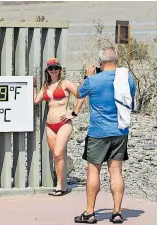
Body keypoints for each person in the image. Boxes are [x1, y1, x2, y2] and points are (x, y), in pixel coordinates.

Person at [69, 47, 136, 224]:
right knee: (116, 171)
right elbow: (131, 95)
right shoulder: (126, 77)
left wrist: (87, 76)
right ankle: (117, 212)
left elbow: (78, 93)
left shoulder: (93, 80)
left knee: (93, 170)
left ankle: (90, 212)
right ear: (116, 60)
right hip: (120, 131)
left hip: (98, 132)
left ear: (100, 62)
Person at [33, 57, 85, 196]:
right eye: (51, 68)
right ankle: (60, 185)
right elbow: (36, 100)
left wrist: (73, 113)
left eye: (56, 68)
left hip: (64, 123)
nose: (54, 70)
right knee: (57, 157)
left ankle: (61, 187)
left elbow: (81, 95)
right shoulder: (46, 86)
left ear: (60, 70)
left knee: (58, 153)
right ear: (47, 71)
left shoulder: (65, 83)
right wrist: (33, 86)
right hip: (50, 125)